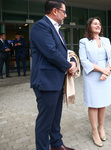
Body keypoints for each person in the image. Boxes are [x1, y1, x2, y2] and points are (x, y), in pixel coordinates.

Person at [30, 0, 77, 150]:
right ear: (55, 11)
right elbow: (51, 52)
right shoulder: (40, 26)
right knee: (45, 122)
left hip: (56, 81)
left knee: (55, 118)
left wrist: (71, 60)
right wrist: (69, 66)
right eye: (64, 11)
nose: (66, 15)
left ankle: (56, 145)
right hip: (46, 82)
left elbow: (63, 51)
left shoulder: (57, 29)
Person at [79, 17, 111, 147]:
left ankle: (101, 127)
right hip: (92, 76)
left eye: (99, 23)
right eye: (95, 23)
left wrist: (107, 71)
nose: (98, 25)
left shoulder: (106, 40)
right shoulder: (84, 42)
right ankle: (94, 131)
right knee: (93, 104)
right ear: (89, 26)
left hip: (105, 76)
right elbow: (84, 60)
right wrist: (102, 70)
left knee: (103, 103)